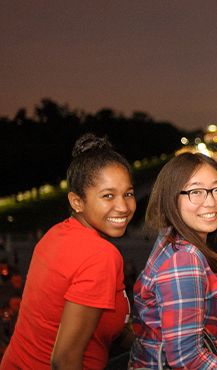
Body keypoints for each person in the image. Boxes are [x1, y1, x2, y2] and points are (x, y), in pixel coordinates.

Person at [1, 133, 135, 369]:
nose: (123, 206)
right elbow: (63, 360)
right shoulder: (100, 255)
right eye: (108, 196)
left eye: (129, 194)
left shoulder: (55, 234)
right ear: (76, 201)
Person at [129, 152, 217, 369]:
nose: (210, 202)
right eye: (196, 192)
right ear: (172, 198)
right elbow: (187, 358)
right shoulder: (184, 260)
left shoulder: (169, 238)